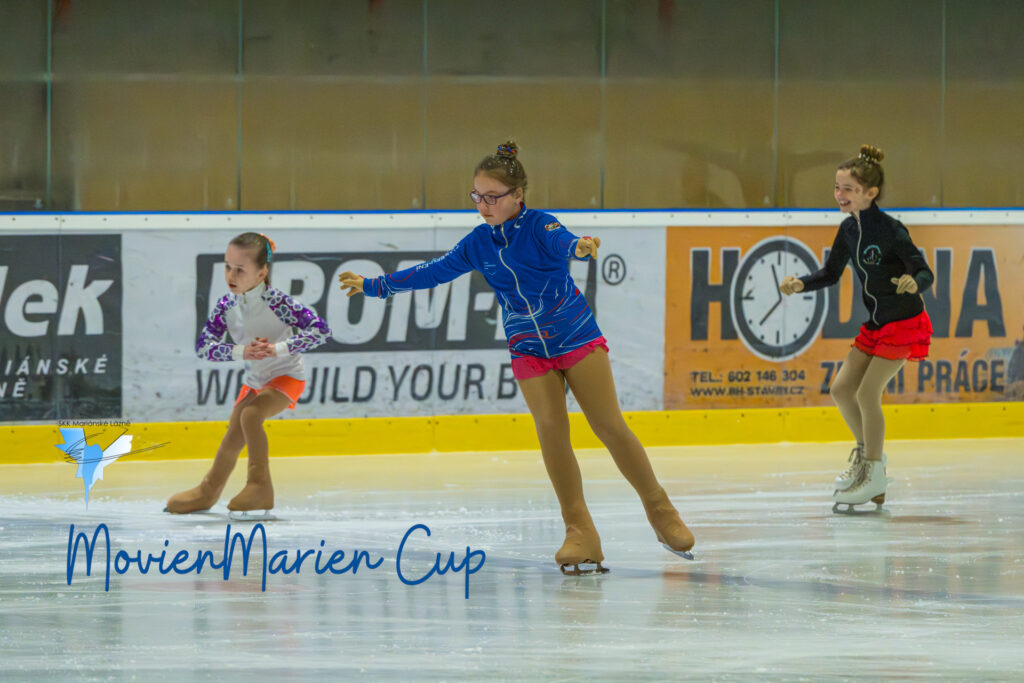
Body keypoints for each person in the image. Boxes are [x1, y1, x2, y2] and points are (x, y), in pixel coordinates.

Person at [338, 140, 694, 573]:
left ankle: (660, 509)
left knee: (608, 425)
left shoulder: (540, 226)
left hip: (575, 337)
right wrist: (376, 286)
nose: (483, 206)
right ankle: (579, 530)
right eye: (477, 196)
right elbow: (434, 271)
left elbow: (564, 242)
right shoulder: (478, 243)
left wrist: (580, 247)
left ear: (518, 195)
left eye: (493, 197)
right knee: (551, 432)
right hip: (527, 346)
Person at [779, 145, 934, 512]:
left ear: (870, 193)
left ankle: (875, 473)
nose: (840, 194)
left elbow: (923, 270)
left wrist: (915, 283)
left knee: (867, 394)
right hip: (876, 324)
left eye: (848, 188)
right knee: (841, 389)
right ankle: (867, 458)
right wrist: (801, 283)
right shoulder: (849, 229)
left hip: (904, 323)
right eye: (837, 187)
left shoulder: (892, 230)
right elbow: (830, 273)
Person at [165, 232, 331, 519]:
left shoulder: (278, 302)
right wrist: (243, 352)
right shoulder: (226, 306)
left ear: (261, 273)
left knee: (251, 415)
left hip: (287, 376)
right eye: (228, 266)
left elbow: (321, 330)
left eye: (240, 269)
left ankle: (260, 486)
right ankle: (208, 491)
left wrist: (278, 349)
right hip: (256, 380)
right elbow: (204, 347)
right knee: (234, 433)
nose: (231, 275)